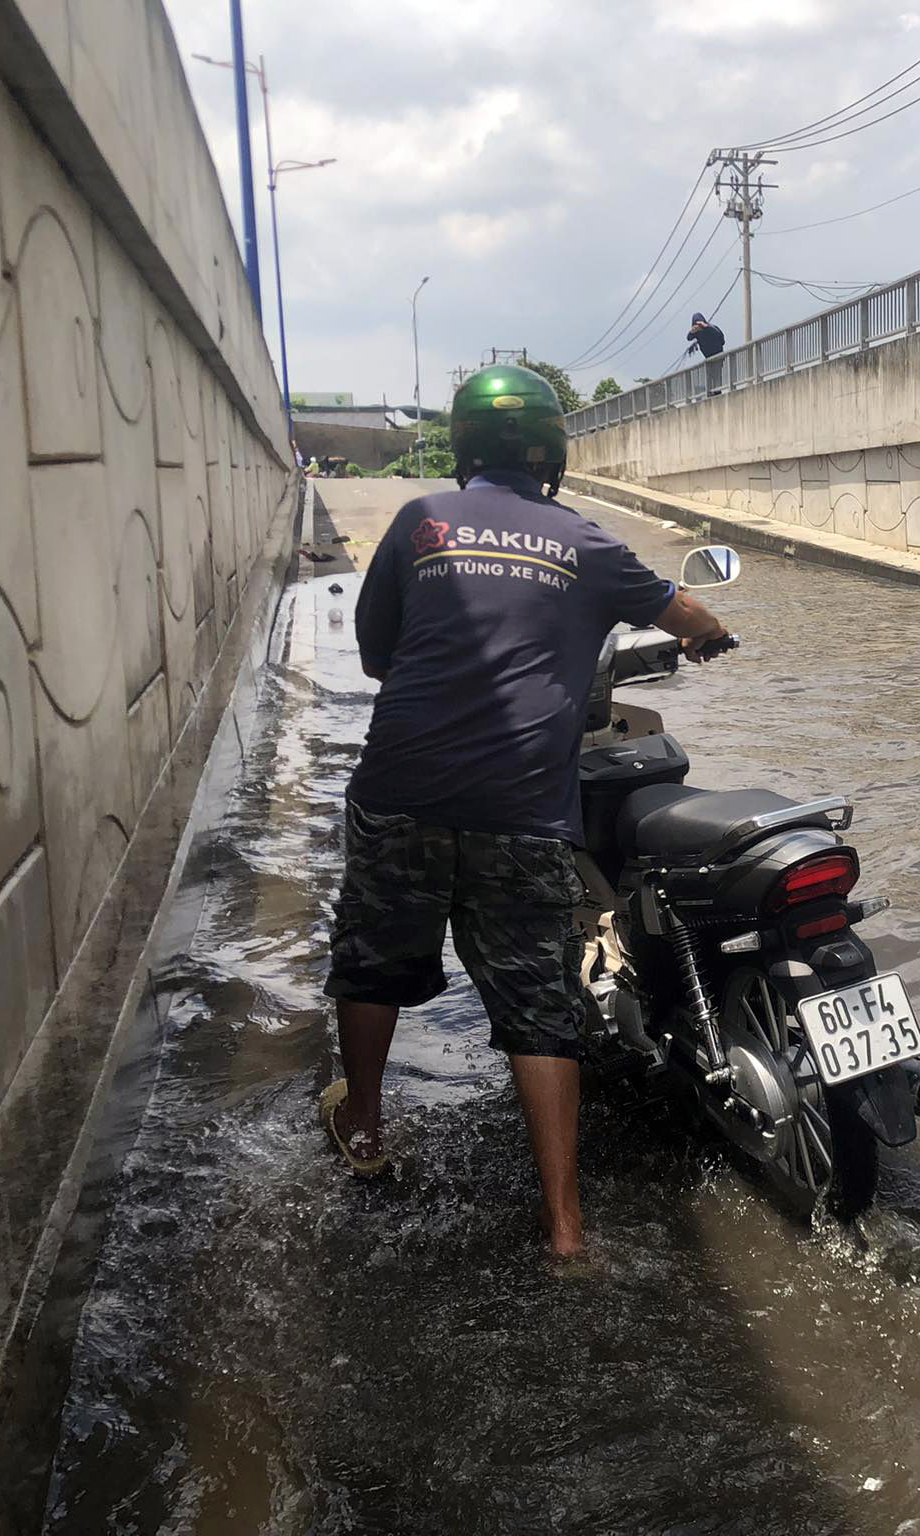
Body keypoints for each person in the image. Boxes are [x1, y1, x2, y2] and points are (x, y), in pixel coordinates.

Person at [319, 362, 732, 1257]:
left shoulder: (417, 521)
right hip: (522, 808)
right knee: (540, 1007)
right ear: (552, 451)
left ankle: (364, 1129)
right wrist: (710, 636)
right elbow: (688, 610)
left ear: (462, 446)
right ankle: (567, 1227)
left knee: (370, 961)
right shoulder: (585, 541)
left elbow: (377, 656)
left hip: (401, 790)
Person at [686, 311, 727, 396]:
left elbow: (721, 338)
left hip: (718, 354)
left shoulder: (711, 328)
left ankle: (717, 392)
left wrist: (705, 326)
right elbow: (688, 338)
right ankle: (711, 392)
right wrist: (692, 331)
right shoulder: (697, 333)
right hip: (708, 357)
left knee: (717, 374)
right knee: (709, 375)